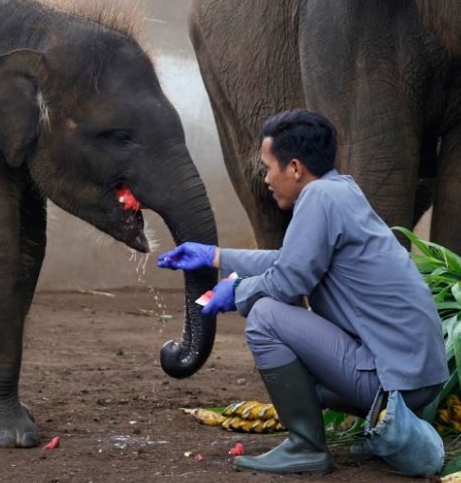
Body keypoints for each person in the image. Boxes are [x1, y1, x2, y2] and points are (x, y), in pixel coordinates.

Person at [158, 109, 448, 475]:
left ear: (294, 168)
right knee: (287, 350)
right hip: (417, 375)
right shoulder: (340, 190)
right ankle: (381, 430)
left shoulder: (318, 199)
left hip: (397, 381)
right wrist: (215, 256)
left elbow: (286, 282)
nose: (265, 178)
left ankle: (306, 448)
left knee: (265, 318)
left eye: (268, 167)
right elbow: (290, 260)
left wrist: (235, 293)